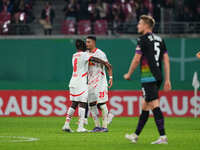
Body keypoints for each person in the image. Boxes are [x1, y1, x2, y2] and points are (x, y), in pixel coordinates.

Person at [123, 15, 171, 144]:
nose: (138, 26)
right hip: (158, 76)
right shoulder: (160, 40)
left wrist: (128, 74)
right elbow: (166, 60)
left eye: (139, 24)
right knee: (145, 105)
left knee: (154, 104)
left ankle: (163, 137)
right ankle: (135, 135)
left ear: (146, 26)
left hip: (148, 77)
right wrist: (167, 79)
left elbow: (137, 59)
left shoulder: (142, 40)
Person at [62, 39, 112, 133]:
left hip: (73, 81)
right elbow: (93, 58)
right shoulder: (84, 54)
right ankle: (80, 126)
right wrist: (104, 63)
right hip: (81, 82)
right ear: (83, 46)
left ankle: (66, 124)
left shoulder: (74, 55)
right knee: (83, 103)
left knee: (74, 103)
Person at [86, 36, 113, 132]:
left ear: (93, 42)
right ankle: (97, 126)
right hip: (90, 83)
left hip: (100, 82)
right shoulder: (85, 54)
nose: (87, 44)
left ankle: (105, 127)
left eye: (88, 42)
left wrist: (110, 78)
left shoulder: (100, 53)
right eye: (86, 42)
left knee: (101, 103)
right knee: (91, 104)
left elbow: (108, 66)